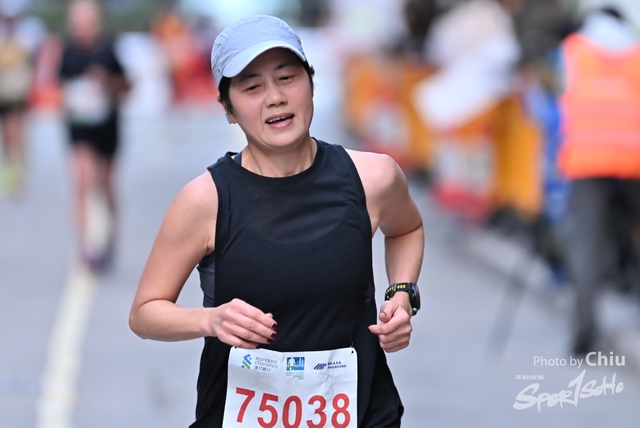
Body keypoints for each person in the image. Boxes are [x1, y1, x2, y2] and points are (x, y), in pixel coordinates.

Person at [129, 14, 425, 428]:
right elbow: (145, 313)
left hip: (364, 414)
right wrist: (209, 320)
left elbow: (407, 228)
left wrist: (402, 292)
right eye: (252, 87)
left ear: (311, 83)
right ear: (228, 109)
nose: (275, 97)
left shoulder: (372, 178)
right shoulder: (205, 200)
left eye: (287, 78)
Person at [558, 6, 640, 356]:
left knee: (587, 243)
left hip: (587, 156)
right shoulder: (636, 54)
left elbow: (558, 103)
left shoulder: (573, 51)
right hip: (634, 155)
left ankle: (584, 330)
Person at [57, 0, 129, 271]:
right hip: (79, 128)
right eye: (78, 21)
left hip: (107, 128)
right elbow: (58, 86)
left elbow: (126, 87)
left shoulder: (108, 50)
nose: (82, 27)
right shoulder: (67, 52)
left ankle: (110, 239)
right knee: (82, 182)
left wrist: (106, 82)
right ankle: (85, 247)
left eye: (87, 21)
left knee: (105, 186)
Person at [0, 1, 45, 196]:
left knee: (19, 130)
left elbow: (35, 61)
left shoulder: (29, 32)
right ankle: (10, 167)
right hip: (3, 91)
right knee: (6, 134)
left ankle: (19, 168)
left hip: (20, 91)